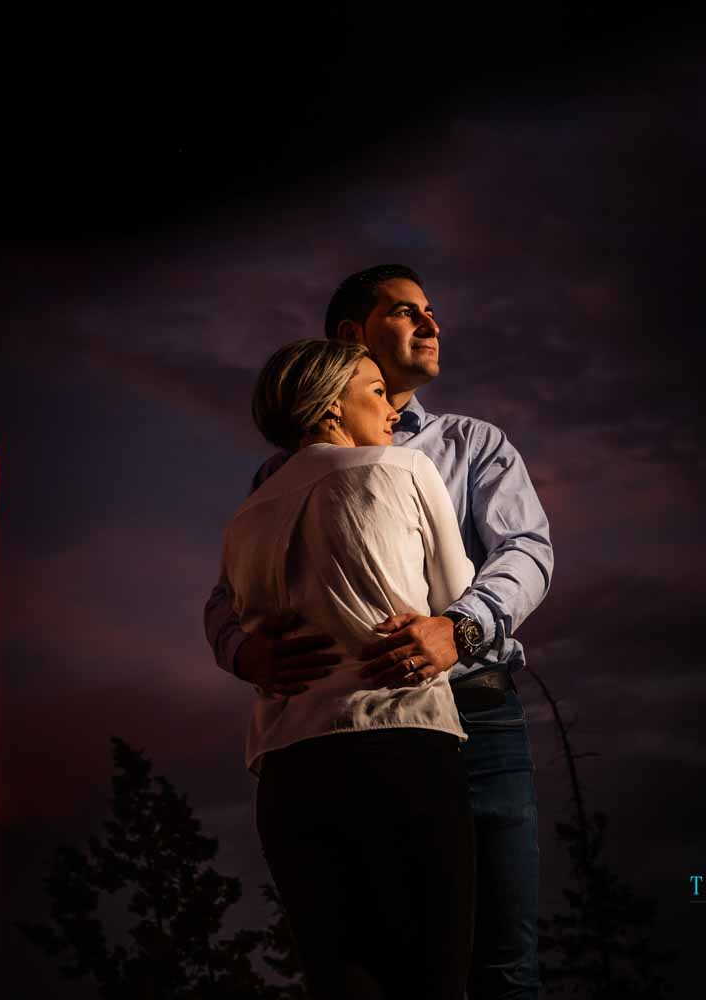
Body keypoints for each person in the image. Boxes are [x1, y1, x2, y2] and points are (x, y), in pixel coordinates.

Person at [205, 265, 553, 1000]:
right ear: (349, 338)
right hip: (367, 730)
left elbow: (526, 551)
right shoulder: (277, 474)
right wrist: (246, 650)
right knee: (411, 963)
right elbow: (227, 595)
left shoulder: (470, 443)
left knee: (500, 956)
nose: (431, 325)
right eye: (406, 312)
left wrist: (458, 631)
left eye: (432, 312)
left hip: (474, 713)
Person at [221, 337, 476, 999]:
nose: (393, 406)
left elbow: (235, 622)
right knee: (432, 978)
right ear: (331, 408)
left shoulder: (244, 518)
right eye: (374, 391)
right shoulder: (406, 472)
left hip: (289, 771)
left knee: (344, 983)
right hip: (401, 744)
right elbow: (454, 600)